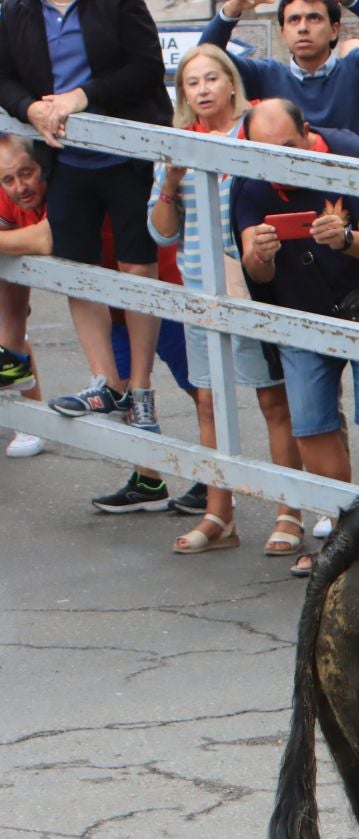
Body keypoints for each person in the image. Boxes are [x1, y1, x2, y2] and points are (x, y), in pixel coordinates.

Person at [233, 99, 359, 575]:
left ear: (307, 134)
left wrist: (347, 239)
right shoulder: (248, 181)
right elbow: (254, 269)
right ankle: (343, 533)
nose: (280, 160)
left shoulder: (342, 158)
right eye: (266, 150)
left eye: (289, 147)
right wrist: (263, 253)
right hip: (298, 313)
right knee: (311, 426)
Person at [0, 0, 171, 488]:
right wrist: (28, 107)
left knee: (137, 269)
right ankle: (106, 382)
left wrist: (81, 96)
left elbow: (145, 67)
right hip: (67, 160)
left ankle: (139, 388)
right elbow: (5, 77)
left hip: (128, 153)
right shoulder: (18, 12)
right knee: (78, 269)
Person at [147, 45, 304, 557]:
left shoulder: (252, 130)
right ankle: (220, 514)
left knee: (271, 401)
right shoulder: (176, 146)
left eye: (212, 78)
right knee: (209, 402)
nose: (204, 90)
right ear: (184, 96)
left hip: (253, 287)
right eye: (192, 83)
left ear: (231, 83)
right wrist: (169, 184)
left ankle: (289, 513)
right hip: (200, 291)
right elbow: (161, 233)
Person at [200, 0, 359, 146]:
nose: (303, 28)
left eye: (314, 18)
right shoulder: (265, 75)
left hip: (357, 201)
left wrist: (352, 1)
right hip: (289, 198)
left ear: (334, 30)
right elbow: (205, 58)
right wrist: (231, 9)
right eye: (294, 20)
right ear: (283, 32)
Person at [0, 136, 51, 459]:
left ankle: (32, 417)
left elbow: (46, 239)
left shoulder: (62, 181)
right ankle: (29, 415)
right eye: (8, 179)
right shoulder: (7, 193)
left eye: (27, 173)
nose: (20, 186)